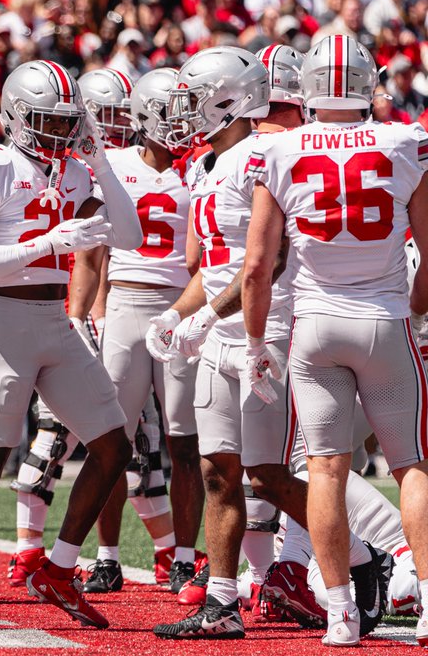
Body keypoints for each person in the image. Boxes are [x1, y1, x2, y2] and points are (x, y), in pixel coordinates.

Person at [148, 46, 387, 640]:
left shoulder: (263, 155)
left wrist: (206, 318)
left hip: (267, 335)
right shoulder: (208, 166)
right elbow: (213, 266)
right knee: (216, 473)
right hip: (218, 334)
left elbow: (271, 260)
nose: (186, 114)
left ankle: (363, 558)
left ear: (231, 101)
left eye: (196, 101)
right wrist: (174, 315)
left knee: (268, 475)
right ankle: (223, 603)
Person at [241, 34, 428, 646]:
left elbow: (257, 267)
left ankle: (342, 612)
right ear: (369, 81)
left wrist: (253, 341)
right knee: (411, 467)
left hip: (314, 326)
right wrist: (413, 308)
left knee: (323, 469)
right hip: (383, 318)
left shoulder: (281, 148)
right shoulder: (403, 141)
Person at [0, 61, 141, 631]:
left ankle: (56, 568)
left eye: (65, 122)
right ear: (15, 117)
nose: (58, 133)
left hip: (56, 321)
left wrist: (101, 161)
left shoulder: (78, 171)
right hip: (4, 320)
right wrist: (49, 241)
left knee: (113, 446)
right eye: (47, 122)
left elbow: (128, 237)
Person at [68, 67, 205, 596]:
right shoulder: (115, 164)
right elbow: (94, 250)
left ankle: (185, 558)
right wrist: (86, 314)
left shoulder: (202, 167)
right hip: (125, 302)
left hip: (180, 306)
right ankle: (105, 557)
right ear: (145, 114)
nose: (181, 123)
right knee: (113, 442)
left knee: (185, 443)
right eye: (171, 112)